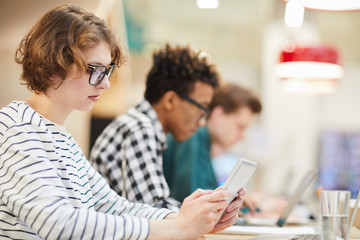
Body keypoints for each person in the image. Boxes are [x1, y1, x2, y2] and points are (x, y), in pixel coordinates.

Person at [0, 5, 245, 239]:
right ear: (54, 63)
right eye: (94, 69)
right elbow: (59, 224)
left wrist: (187, 218)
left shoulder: (60, 137)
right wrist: (179, 227)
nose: (105, 83)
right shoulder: (17, 129)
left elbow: (113, 207)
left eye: (106, 71)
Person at [89, 43, 220, 211]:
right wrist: (206, 211)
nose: (202, 122)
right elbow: (152, 211)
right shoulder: (140, 128)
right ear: (170, 100)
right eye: (201, 110)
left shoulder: (140, 125)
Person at [163, 83, 262, 206]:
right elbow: (198, 205)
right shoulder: (192, 137)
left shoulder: (203, 142)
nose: (242, 136)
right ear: (218, 114)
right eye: (240, 127)